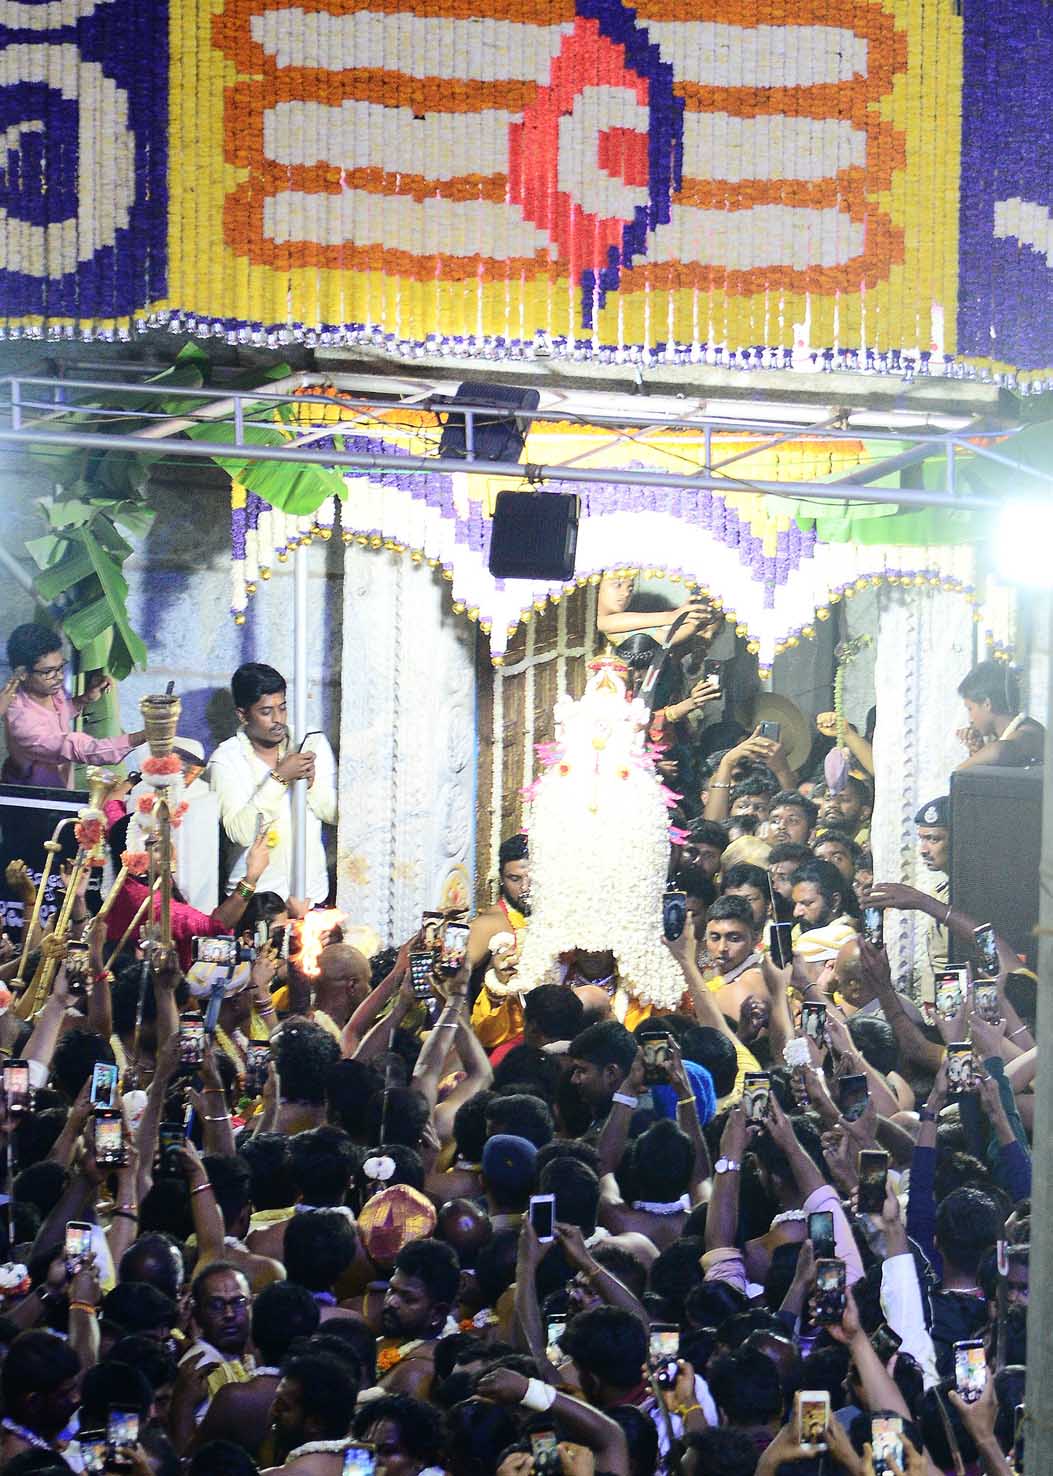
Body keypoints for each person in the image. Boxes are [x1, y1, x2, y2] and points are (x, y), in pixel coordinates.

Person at [210, 662, 337, 905]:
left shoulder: (311, 743)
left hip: (312, 896)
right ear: (243, 715)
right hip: (255, 902)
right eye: (266, 712)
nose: (278, 719)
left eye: (283, 707)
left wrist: (312, 787)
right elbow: (240, 833)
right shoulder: (225, 760)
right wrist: (279, 778)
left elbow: (336, 815)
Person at [2, 622, 146, 788]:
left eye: (60, 668)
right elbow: (82, 749)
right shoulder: (22, 721)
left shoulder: (48, 690)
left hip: (59, 785)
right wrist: (145, 735)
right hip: (33, 797)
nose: (59, 677)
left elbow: (58, 714)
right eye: (48, 671)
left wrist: (85, 698)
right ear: (22, 674)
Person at [125, 738, 219, 912]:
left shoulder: (205, 795)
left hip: (199, 894)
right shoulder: (143, 790)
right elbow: (136, 839)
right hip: (152, 889)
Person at [377, 1239, 461, 1399]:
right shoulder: (401, 1334)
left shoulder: (421, 1371)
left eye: (408, 1298)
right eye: (391, 1290)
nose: (391, 1302)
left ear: (437, 1313)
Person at [955, 659, 1044, 770]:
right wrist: (978, 751)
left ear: (987, 704)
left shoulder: (1028, 733)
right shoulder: (1008, 733)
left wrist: (960, 769)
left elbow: (999, 751)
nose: (970, 719)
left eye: (970, 709)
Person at [699, 896, 764, 1025]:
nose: (722, 948)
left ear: (755, 939)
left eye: (734, 939)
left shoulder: (749, 981)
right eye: (715, 938)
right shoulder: (713, 973)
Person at [789, 858, 858, 968]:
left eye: (807, 903)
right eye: (796, 904)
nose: (796, 913)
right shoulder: (798, 932)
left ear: (835, 901)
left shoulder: (843, 935)